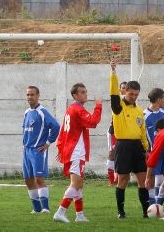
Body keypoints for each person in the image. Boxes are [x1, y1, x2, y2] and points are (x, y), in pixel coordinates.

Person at [53, 83, 102, 223]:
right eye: (81, 92)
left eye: (85, 92)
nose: (85, 94)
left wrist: (60, 148)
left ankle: (80, 215)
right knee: (76, 183)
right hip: (76, 151)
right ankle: (60, 212)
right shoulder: (77, 109)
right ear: (74, 95)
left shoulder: (71, 108)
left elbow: (63, 130)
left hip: (71, 150)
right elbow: (93, 122)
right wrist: (98, 105)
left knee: (79, 184)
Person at [110, 60, 149, 219]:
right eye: (131, 94)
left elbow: (142, 130)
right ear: (125, 92)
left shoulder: (139, 110)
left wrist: (146, 148)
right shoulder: (118, 107)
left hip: (138, 147)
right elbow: (113, 92)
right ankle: (121, 211)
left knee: (143, 179)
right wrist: (113, 73)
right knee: (123, 179)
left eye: (136, 95)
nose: (133, 97)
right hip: (123, 146)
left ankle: (146, 212)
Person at [22, 85, 60, 214]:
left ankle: (45, 208)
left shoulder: (42, 111)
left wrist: (48, 142)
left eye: (32, 94)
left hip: (38, 150)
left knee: (39, 178)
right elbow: (25, 129)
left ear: (38, 96)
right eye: (28, 94)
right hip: (27, 150)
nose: (30, 97)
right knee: (28, 180)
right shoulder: (27, 112)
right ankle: (37, 209)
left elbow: (55, 126)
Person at [144, 88, 164, 205]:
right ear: (159, 100)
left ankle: (158, 203)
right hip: (152, 152)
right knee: (150, 179)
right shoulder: (144, 115)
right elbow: (142, 134)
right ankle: (152, 205)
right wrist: (146, 150)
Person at [106, 81, 127, 186]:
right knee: (112, 154)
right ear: (119, 90)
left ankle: (118, 179)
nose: (124, 90)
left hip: (123, 133)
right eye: (123, 88)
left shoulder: (131, 103)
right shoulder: (117, 101)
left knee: (121, 157)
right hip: (113, 132)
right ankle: (111, 181)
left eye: (126, 88)